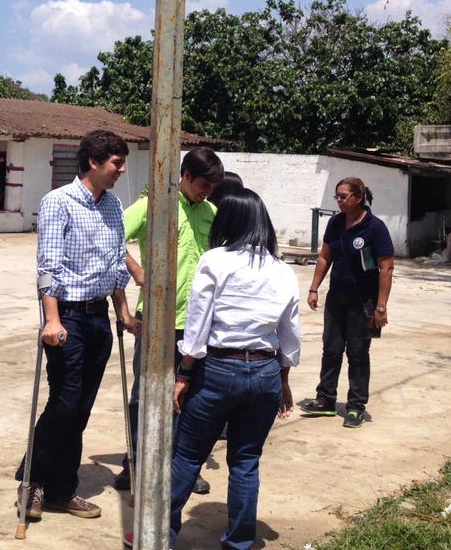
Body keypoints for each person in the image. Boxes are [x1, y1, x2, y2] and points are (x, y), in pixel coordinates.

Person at [167, 188, 300, 550]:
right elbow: (290, 333)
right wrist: (284, 380)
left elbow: (197, 325)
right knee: (245, 460)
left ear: (229, 220)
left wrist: (184, 373)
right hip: (265, 372)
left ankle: (161, 532)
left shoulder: (215, 260)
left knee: (189, 455)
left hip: (218, 369)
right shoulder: (282, 270)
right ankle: (240, 541)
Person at [17, 130, 137, 521]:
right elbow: (48, 267)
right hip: (66, 318)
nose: (121, 170)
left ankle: (61, 490)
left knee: (80, 409)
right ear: (93, 162)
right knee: (65, 403)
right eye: (116, 163)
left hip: (98, 318)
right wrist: (51, 319)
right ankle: (32, 482)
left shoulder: (114, 206)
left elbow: (117, 264)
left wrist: (123, 312)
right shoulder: (58, 203)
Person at [116, 147, 224, 494]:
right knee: (144, 394)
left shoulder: (212, 212)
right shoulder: (154, 206)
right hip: (156, 319)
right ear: (186, 176)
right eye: (203, 184)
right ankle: (135, 463)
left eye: (212, 186)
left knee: (188, 396)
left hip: (196, 324)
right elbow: (110, 235)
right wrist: (136, 270)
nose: (207, 191)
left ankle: (182, 466)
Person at [298, 177, 394, 429]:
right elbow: (324, 257)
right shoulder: (336, 223)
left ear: (359, 197)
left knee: (358, 354)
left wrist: (381, 307)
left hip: (364, 303)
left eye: (344, 196)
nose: (339, 200)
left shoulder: (375, 228)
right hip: (336, 299)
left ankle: (355, 407)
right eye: (337, 196)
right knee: (331, 349)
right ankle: (325, 400)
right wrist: (314, 288)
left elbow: (386, 268)